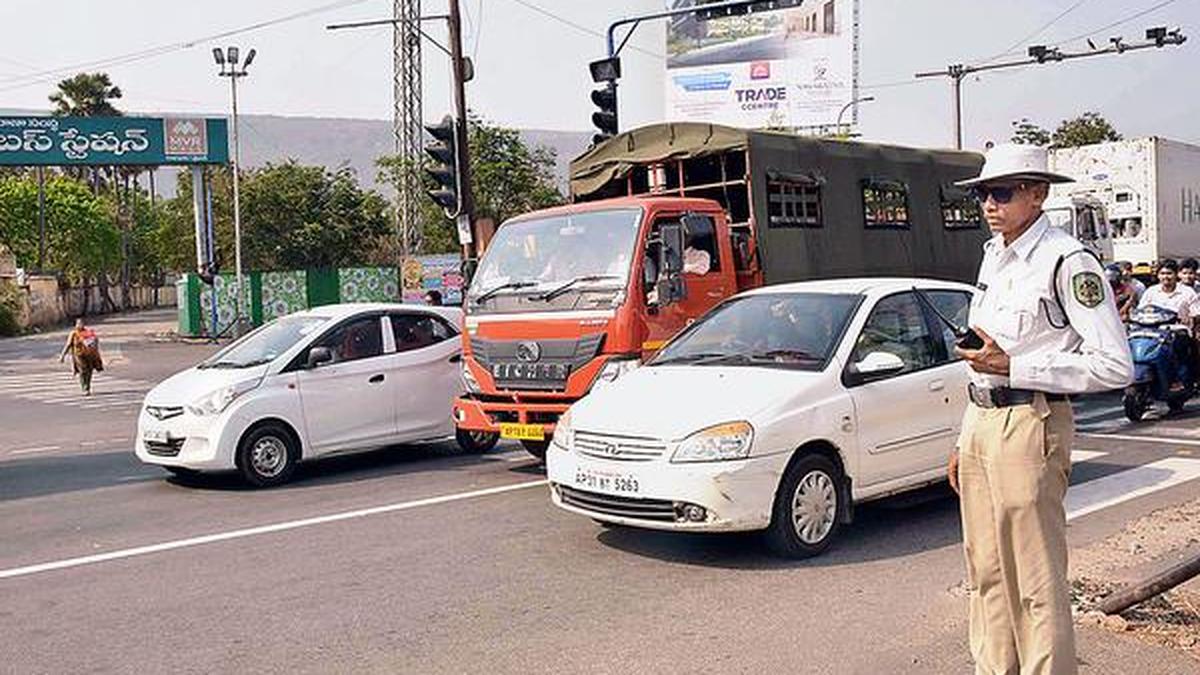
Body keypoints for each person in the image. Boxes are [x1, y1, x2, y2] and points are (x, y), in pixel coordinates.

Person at [949, 143, 1133, 675]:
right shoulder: (994, 253)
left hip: (1031, 419)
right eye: (983, 193)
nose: (990, 203)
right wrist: (963, 437)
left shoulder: (1067, 261)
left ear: (1038, 194)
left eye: (1002, 192)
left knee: (1034, 579)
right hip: (983, 418)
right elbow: (983, 356)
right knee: (985, 572)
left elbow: (1114, 365)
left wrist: (1016, 368)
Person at [1138, 258, 1199, 390]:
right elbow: (1140, 311)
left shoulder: (1187, 292)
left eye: (1169, 273)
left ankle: (1176, 379)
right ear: (1158, 275)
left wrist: (1187, 316)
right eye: (1163, 273)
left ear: (1176, 275)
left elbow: (1196, 313)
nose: (1166, 277)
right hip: (1152, 332)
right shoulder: (1151, 291)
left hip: (1177, 332)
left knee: (1177, 345)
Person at [59, 318, 104, 396]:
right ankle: (84, 387)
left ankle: (88, 387)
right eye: (78, 324)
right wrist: (62, 356)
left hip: (89, 355)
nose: (80, 325)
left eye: (81, 323)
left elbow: (95, 343)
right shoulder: (73, 334)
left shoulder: (88, 333)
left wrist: (97, 353)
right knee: (83, 370)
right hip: (79, 356)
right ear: (75, 325)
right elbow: (68, 345)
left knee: (89, 371)